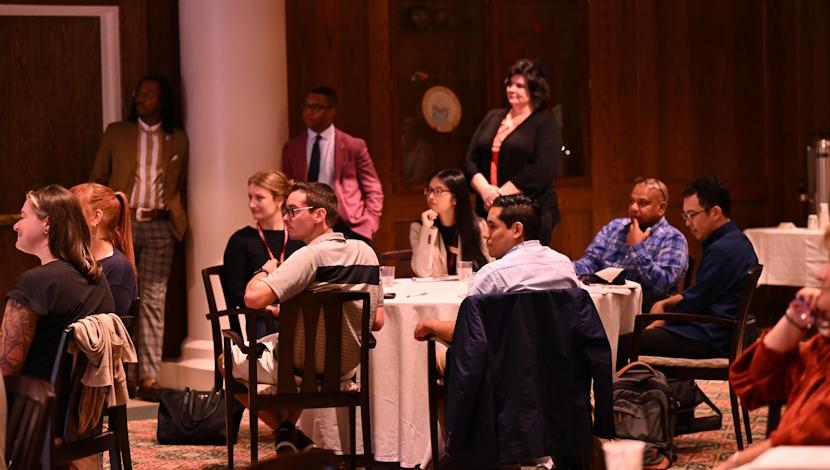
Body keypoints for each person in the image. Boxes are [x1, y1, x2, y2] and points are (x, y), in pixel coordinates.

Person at [225, 182, 384, 453]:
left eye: (292, 211)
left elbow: (252, 298)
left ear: (319, 214)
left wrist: (265, 269)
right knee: (300, 346)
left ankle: (282, 432)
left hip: (300, 369)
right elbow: (377, 321)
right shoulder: (367, 253)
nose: (286, 218)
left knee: (224, 360)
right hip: (344, 369)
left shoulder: (309, 256)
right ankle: (289, 432)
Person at [90, 74, 189, 398]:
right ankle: (116, 372)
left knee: (154, 301)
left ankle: (147, 377)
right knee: (117, 294)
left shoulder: (177, 138)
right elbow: (97, 178)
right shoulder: (117, 133)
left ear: (162, 101)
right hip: (122, 226)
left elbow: (179, 184)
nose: (141, 99)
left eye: (148, 95)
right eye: (138, 94)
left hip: (161, 225)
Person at [616, 175, 758, 369]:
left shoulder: (722, 250)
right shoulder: (735, 240)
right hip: (716, 331)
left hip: (709, 337)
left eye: (692, 215)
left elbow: (695, 303)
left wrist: (661, 322)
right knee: (636, 334)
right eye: (685, 216)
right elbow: (702, 293)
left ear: (715, 212)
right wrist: (666, 303)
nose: (687, 223)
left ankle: (623, 398)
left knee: (621, 343)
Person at [714, 233, 830, 470]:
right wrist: (796, 317)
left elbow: (804, 435)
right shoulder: (822, 347)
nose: (820, 274)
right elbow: (751, 384)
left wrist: (736, 462)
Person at [414, 194, 577, 346]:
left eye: (492, 226)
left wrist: (431, 324)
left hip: (505, 372)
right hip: (560, 371)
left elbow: (466, 333)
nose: (486, 235)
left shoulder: (492, 274)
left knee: (440, 358)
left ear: (517, 230)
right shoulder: (563, 265)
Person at [1, 185, 114, 381]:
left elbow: (6, 369)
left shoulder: (33, 284)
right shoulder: (98, 280)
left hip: (31, 406)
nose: (15, 226)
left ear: (47, 223)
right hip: (78, 410)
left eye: (23, 217)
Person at [464, 58, 563, 245]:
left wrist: (500, 196)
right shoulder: (493, 116)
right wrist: (486, 191)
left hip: (528, 211)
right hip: (488, 207)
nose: (512, 89)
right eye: (510, 84)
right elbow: (470, 160)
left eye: (519, 85)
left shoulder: (545, 121)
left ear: (534, 89)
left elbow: (543, 168)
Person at [282, 86, 383, 245]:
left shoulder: (353, 145)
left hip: (348, 223)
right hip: (306, 222)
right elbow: (288, 187)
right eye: (306, 106)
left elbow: (373, 186)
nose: (308, 112)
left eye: (316, 107)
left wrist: (371, 221)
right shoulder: (292, 148)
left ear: (331, 111)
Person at [573, 177, 688, 310]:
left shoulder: (673, 238)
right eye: (632, 201)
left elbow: (661, 286)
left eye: (642, 203)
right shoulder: (614, 227)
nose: (633, 208)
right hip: (603, 306)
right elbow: (590, 262)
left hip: (643, 314)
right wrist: (566, 268)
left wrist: (637, 247)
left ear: (661, 208)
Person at [221, 170, 304, 317]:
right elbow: (234, 291)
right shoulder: (241, 240)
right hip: (262, 318)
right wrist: (268, 309)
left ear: (279, 200)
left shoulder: (298, 237)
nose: (252, 204)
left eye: (259, 198)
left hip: (296, 314)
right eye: (250, 197)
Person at [70, 183, 138, 318]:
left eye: (73, 213)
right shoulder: (78, 260)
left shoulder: (118, 270)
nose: (66, 221)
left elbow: (105, 330)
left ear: (96, 217)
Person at [410, 168, 490, 277]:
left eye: (438, 191)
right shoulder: (419, 227)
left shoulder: (478, 226)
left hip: (467, 290)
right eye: (429, 190)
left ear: (455, 198)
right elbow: (422, 271)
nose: (431, 196)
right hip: (435, 291)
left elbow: (488, 267)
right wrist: (427, 230)